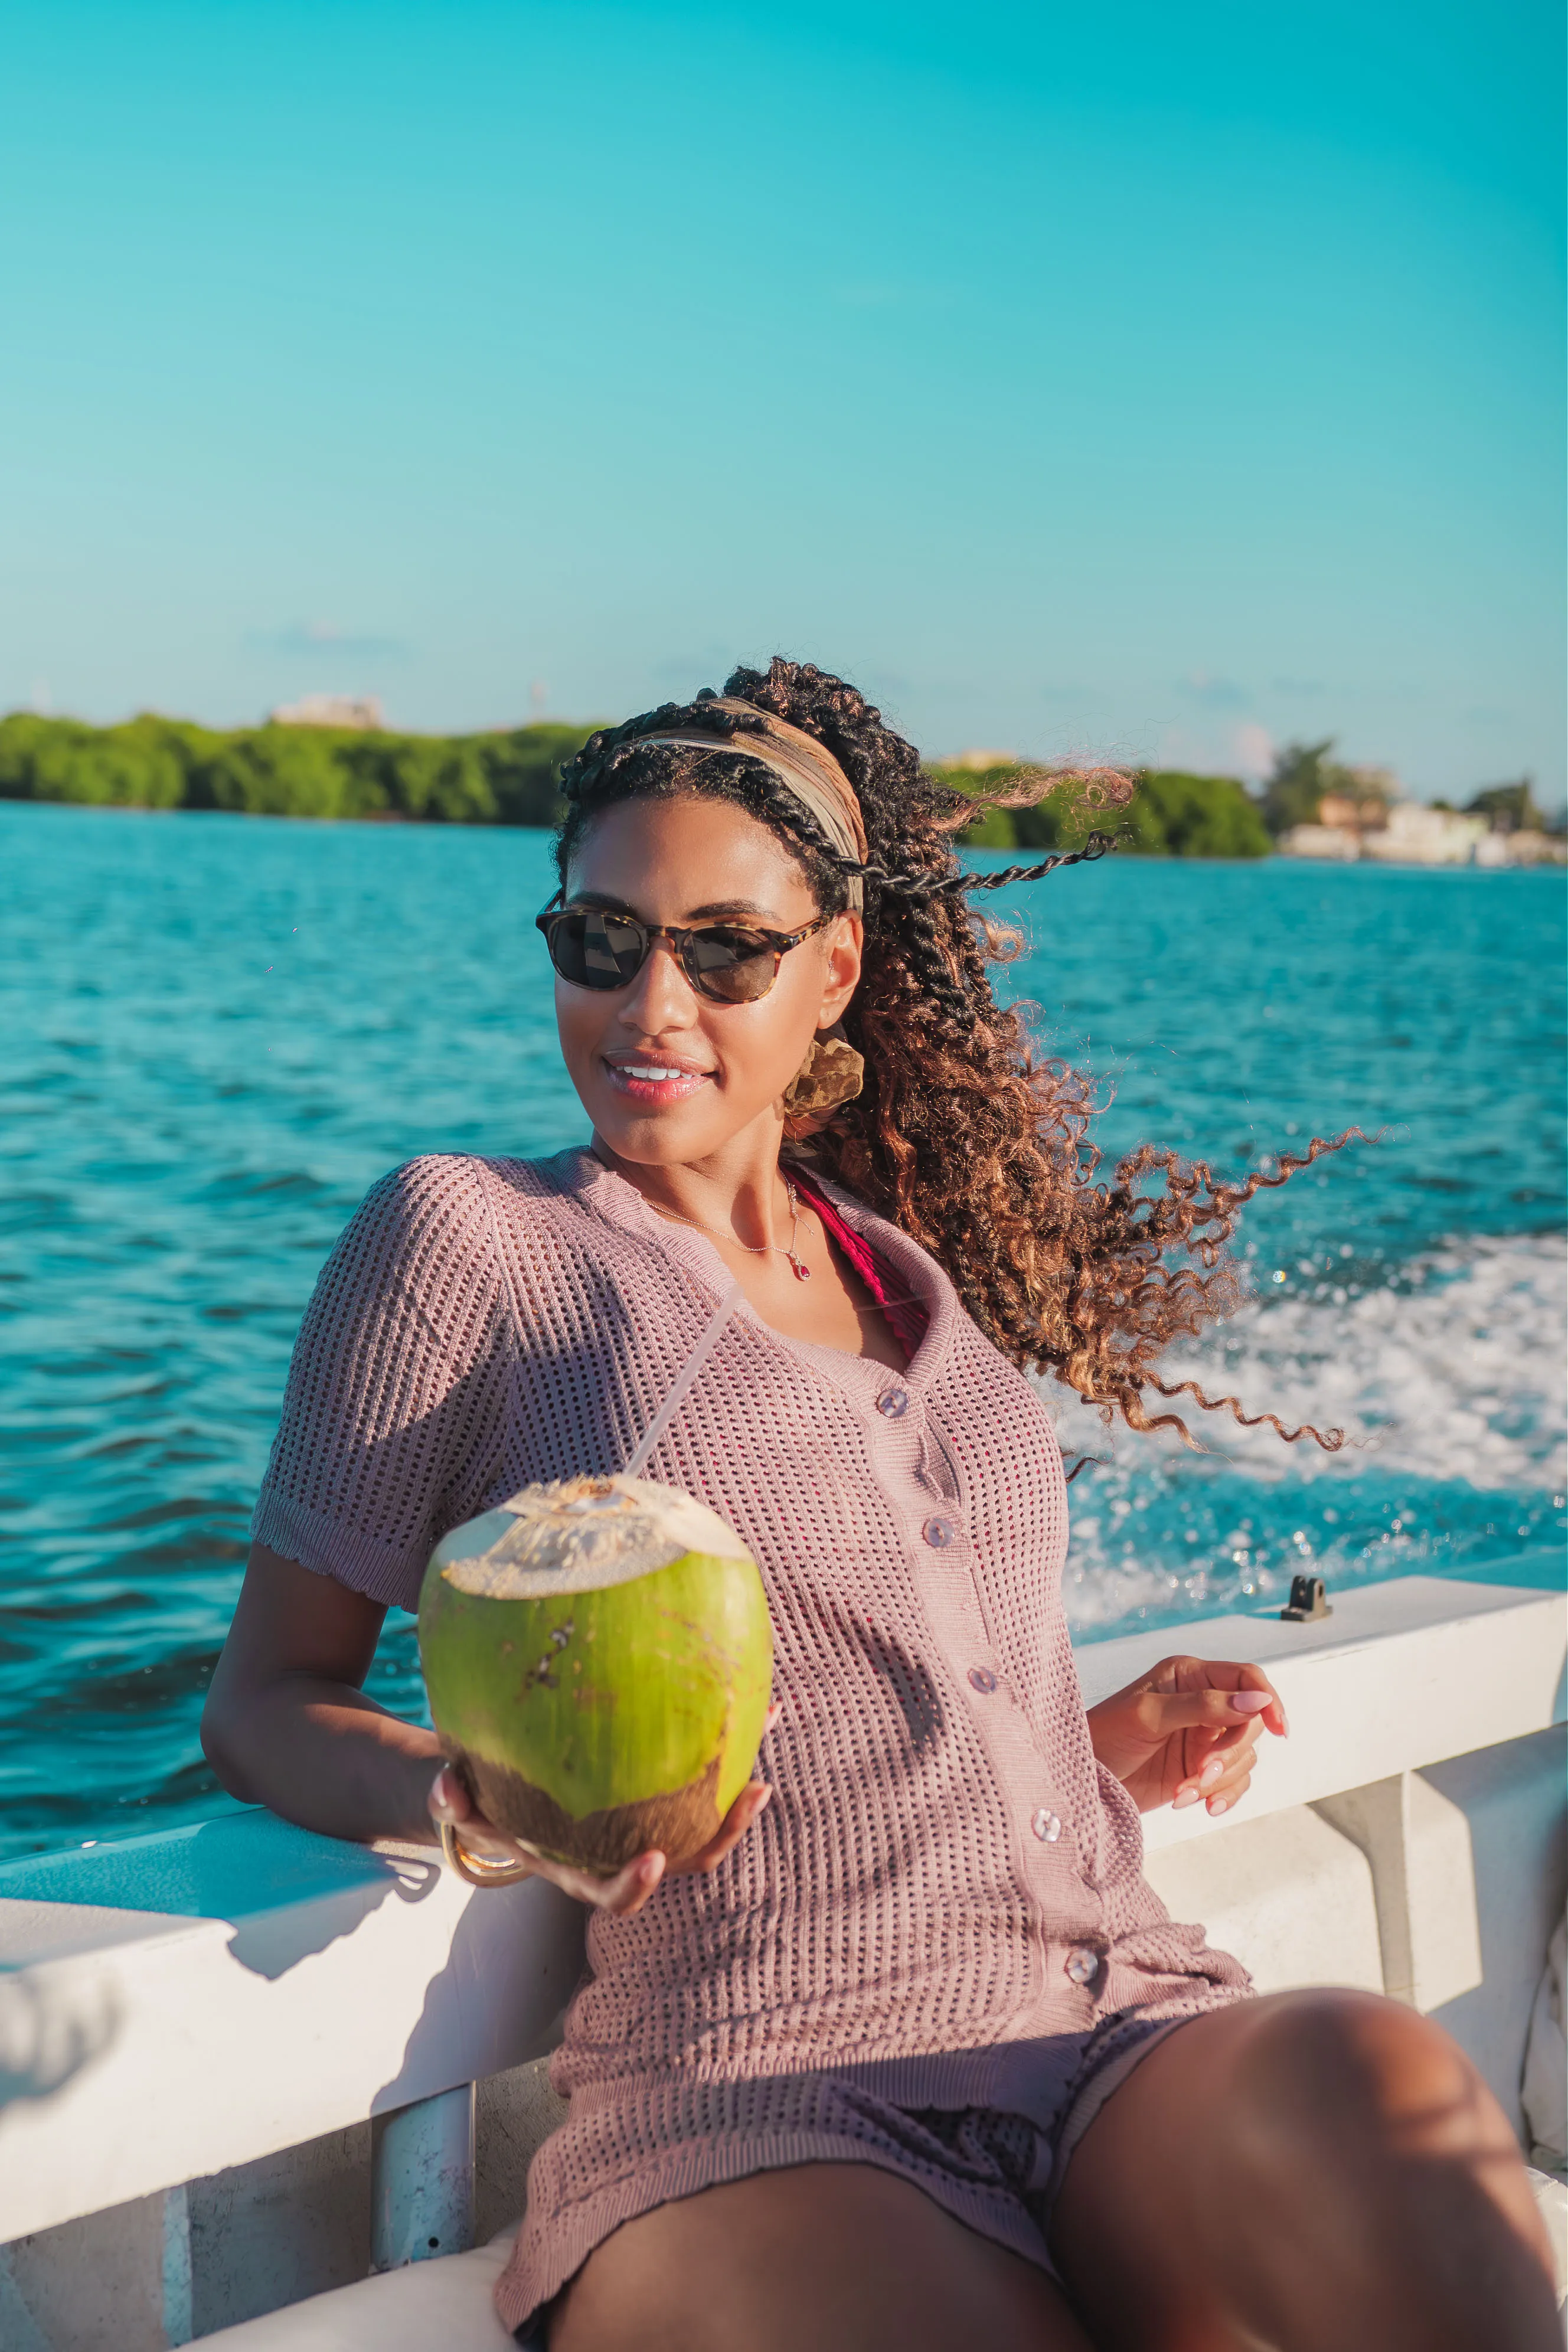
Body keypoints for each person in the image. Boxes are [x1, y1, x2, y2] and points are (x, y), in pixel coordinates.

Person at [202, 659, 1558, 2351]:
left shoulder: (900, 1266)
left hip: (1108, 2013)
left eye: (726, 949)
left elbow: (882, 1660)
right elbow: (264, 1701)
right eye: (599, 940)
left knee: (1387, 2080)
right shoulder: (469, 1242)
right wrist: (483, 1808)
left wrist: (1083, 1737)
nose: (652, 1007)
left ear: (833, 969)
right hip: (768, 2093)